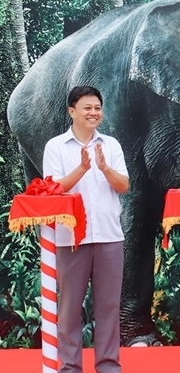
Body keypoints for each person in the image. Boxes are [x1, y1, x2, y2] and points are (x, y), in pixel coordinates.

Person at [42, 85, 130, 373]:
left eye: (97, 108)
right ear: (71, 111)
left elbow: (123, 185)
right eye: (87, 108)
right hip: (70, 239)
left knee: (108, 308)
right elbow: (51, 189)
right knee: (69, 309)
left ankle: (107, 366)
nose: (94, 113)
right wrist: (81, 169)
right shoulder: (56, 146)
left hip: (109, 236)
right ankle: (70, 367)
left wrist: (104, 168)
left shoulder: (111, 145)